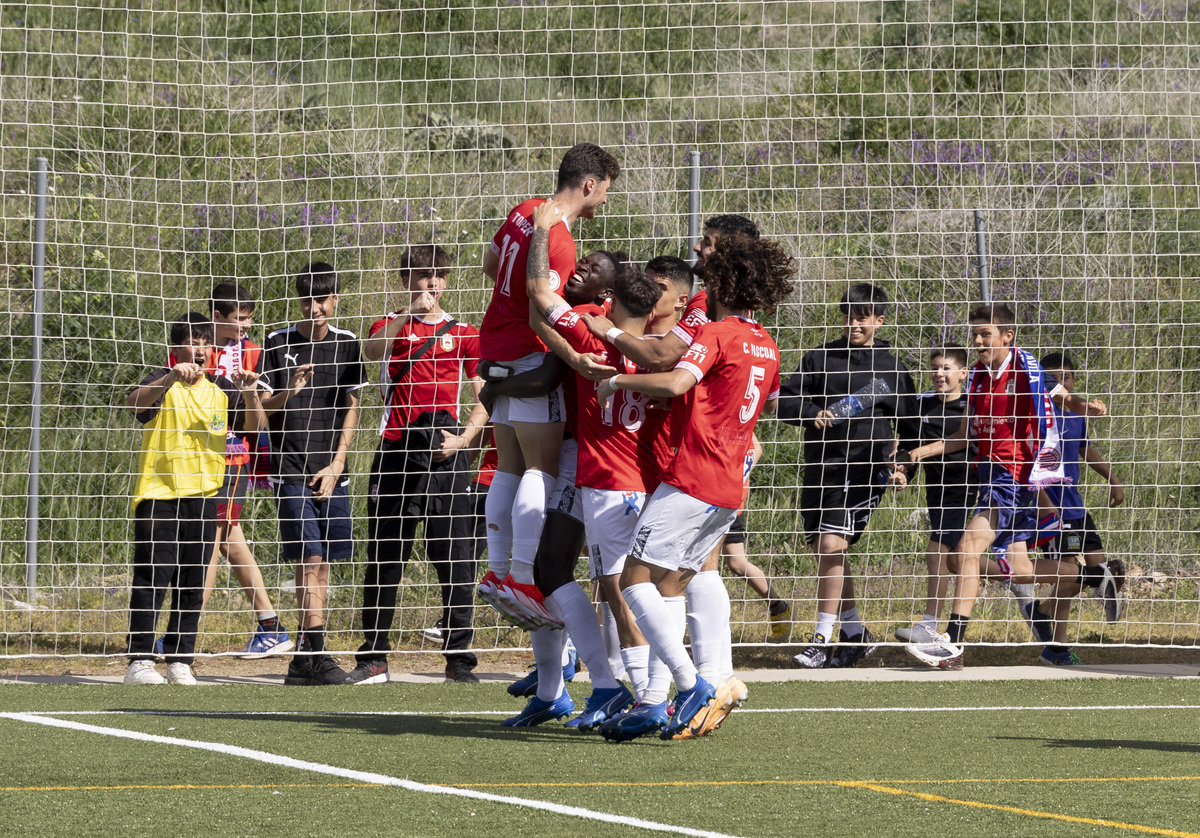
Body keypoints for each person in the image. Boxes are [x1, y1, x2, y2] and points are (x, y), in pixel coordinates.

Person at [597, 232, 795, 742]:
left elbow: (676, 381)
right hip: (729, 487)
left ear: (724, 283)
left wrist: (618, 382)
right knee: (672, 586)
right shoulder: (768, 345)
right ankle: (655, 703)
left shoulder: (718, 332)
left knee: (632, 580)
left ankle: (692, 685)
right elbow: (760, 402)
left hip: (691, 477)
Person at [504, 202, 672, 730]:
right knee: (590, 578)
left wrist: (542, 230)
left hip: (601, 476)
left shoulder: (587, 331)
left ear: (608, 299)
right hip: (629, 478)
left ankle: (651, 692)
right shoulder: (654, 351)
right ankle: (585, 685)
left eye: (592, 270)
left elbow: (538, 297)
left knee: (616, 586)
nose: (576, 271)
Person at [904, 303, 1106, 669]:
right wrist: (917, 452)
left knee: (966, 549)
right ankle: (1091, 574)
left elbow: (1058, 395)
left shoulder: (1025, 367)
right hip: (992, 478)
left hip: (1012, 478)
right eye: (975, 334)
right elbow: (963, 435)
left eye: (986, 334)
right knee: (1018, 568)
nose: (979, 340)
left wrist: (1081, 405)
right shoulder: (980, 375)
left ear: (1007, 336)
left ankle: (952, 642)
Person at [475, 143, 621, 631]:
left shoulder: (522, 211)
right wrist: (571, 355)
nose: (602, 202)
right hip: (527, 352)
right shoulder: (559, 240)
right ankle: (519, 577)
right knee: (540, 467)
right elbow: (542, 310)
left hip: (493, 343)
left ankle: (497, 573)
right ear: (589, 183)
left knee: (509, 465)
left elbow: (491, 266)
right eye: (604, 191)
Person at [348, 244, 489, 685]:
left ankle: (459, 658)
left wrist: (465, 438)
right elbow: (371, 351)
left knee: (455, 555)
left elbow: (485, 390)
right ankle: (373, 657)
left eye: (438, 276)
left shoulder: (464, 331)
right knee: (386, 553)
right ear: (405, 280)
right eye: (421, 276)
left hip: (447, 452)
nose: (431, 284)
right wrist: (406, 312)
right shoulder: (390, 327)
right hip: (396, 449)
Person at [777, 283, 921, 669]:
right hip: (821, 467)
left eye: (861, 317)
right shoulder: (821, 357)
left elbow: (911, 429)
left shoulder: (892, 367)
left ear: (879, 320)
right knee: (826, 552)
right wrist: (811, 413)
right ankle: (856, 634)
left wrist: (903, 464)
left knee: (830, 546)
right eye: (847, 316)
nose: (853, 324)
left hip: (863, 470)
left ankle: (821, 640)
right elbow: (785, 400)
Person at [124, 313, 265, 685]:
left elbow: (254, 427)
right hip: (159, 495)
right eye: (193, 342)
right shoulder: (161, 380)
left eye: (206, 343)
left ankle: (180, 659)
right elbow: (134, 405)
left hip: (204, 497)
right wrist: (169, 378)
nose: (201, 350)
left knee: (192, 580)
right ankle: (139, 660)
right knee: (153, 577)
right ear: (176, 350)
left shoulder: (222, 387)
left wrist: (250, 393)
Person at [261, 261, 368, 686]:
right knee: (310, 558)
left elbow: (351, 407)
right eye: (306, 300)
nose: (314, 308)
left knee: (325, 563)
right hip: (290, 470)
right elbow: (261, 408)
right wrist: (291, 390)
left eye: (321, 299)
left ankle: (304, 658)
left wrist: (338, 463)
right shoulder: (277, 342)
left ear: (334, 301)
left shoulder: (346, 345)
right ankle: (317, 652)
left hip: (333, 472)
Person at [193, 282, 293, 658]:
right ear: (216, 317)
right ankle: (270, 625)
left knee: (213, 539)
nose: (246, 327)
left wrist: (251, 393)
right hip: (193, 455)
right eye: (239, 320)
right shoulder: (197, 346)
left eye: (250, 320)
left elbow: (259, 418)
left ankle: (181, 637)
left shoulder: (253, 352)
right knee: (226, 540)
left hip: (231, 456)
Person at [891, 345, 978, 646]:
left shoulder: (972, 404)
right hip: (937, 490)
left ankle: (929, 625)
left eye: (947, 368)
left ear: (963, 373)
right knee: (958, 561)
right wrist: (903, 471)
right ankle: (1013, 579)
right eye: (935, 368)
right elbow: (908, 445)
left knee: (936, 551)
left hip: (967, 489)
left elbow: (961, 441)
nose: (939, 374)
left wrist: (917, 453)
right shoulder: (921, 404)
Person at [1039, 352, 1125, 622]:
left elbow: (1086, 451)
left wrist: (1113, 479)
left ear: (1074, 380)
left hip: (1074, 504)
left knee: (1096, 566)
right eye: (1051, 379)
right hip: (1048, 504)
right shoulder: (1037, 413)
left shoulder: (1076, 416)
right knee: (1068, 571)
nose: (1059, 384)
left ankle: (1045, 613)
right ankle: (1051, 629)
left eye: (1065, 377)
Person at [720, 437, 792, 643]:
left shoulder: (740, 413)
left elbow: (756, 448)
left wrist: (739, 474)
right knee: (734, 563)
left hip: (728, 498)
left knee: (733, 563)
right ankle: (779, 606)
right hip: (714, 493)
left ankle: (778, 607)